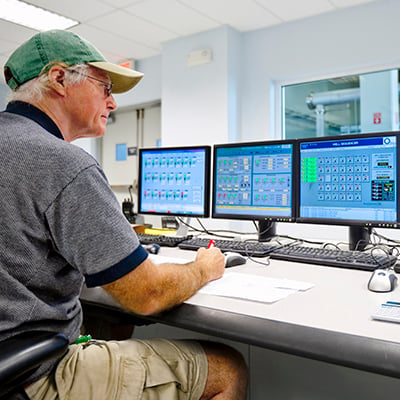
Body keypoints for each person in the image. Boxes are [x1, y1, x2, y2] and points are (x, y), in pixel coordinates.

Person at [0, 30, 248, 399]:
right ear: (59, 79)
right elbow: (147, 295)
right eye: (105, 87)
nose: (112, 102)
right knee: (228, 367)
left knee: (115, 325)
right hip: (30, 375)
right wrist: (205, 267)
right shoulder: (64, 165)